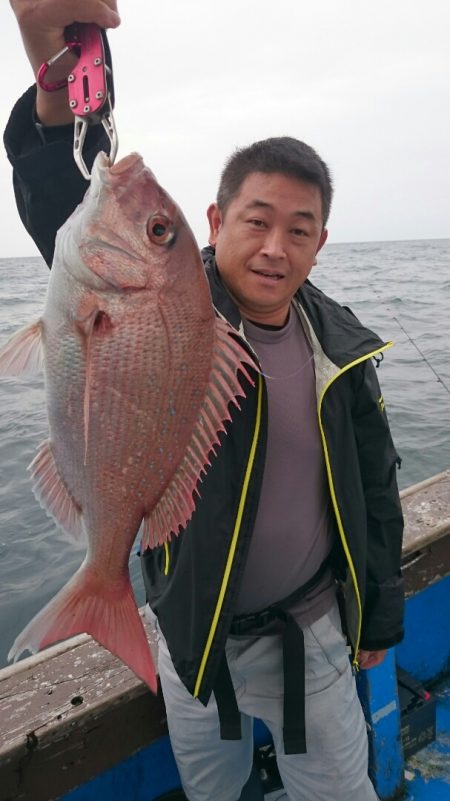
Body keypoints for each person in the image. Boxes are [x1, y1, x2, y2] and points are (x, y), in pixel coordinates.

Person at [6, 3, 405, 800]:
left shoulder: (343, 348)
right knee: (212, 792)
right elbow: (62, 195)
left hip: (317, 632)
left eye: (300, 228)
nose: (274, 246)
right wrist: (55, 77)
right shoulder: (183, 313)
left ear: (320, 242)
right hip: (195, 637)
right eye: (256, 220)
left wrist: (380, 620)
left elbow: (377, 484)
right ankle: (104, 586)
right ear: (215, 223)